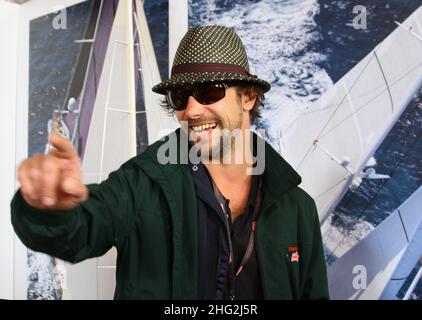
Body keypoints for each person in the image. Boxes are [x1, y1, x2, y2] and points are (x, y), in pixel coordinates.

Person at [11, 25, 329, 300]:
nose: (190, 111)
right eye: (180, 96)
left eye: (208, 91)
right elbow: (82, 228)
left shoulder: (297, 208)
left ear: (248, 97)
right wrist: (47, 207)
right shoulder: (142, 185)